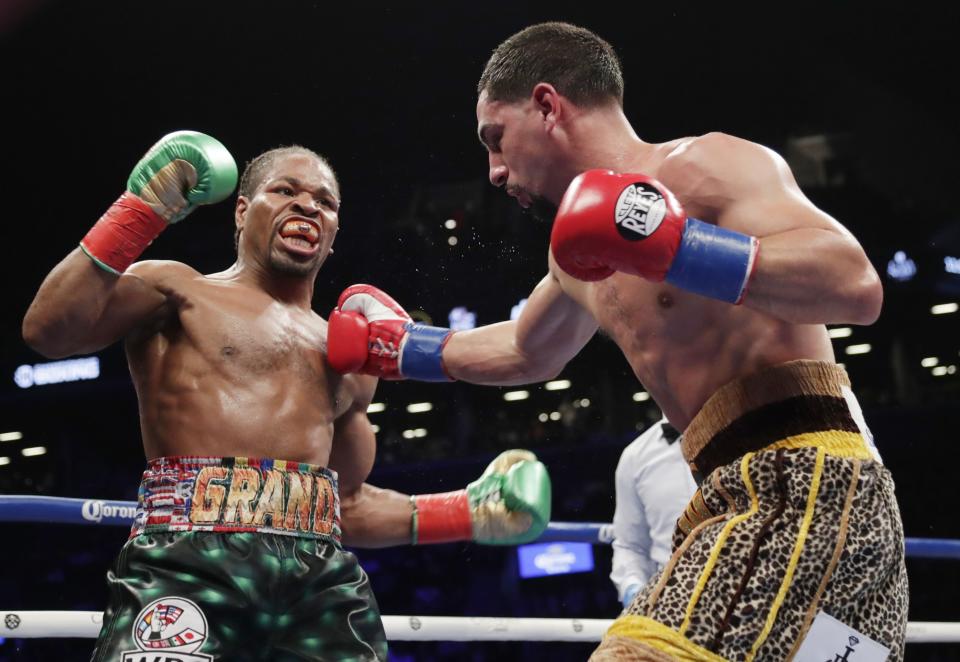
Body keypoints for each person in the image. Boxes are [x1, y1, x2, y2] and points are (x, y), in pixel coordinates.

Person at [326, 22, 908, 661]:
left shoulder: (702, 165)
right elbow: (525, 350)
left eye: (497, 140)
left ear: (548, 106)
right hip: (734, 493)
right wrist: (399, 348)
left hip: (803, 484)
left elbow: (854, 285)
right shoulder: (576, 259)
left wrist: (673, 244)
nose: (492, 171)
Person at [21, 131, 551, 661]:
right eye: (285, 191)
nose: (307, 205)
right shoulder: (177, 290)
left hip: (317, 580)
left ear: (335, 230)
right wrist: (143, 208)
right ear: (242, 211)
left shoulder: (350, 358)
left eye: (325, 201)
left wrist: (466, 513)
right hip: (187, 562)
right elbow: (51, 331)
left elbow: (345, 506)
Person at [611, 418, 697, 612]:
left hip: (747, 598)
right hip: (670, 607)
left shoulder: (747, 435)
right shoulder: (635, 457)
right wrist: (633, 589)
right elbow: (630, 545)